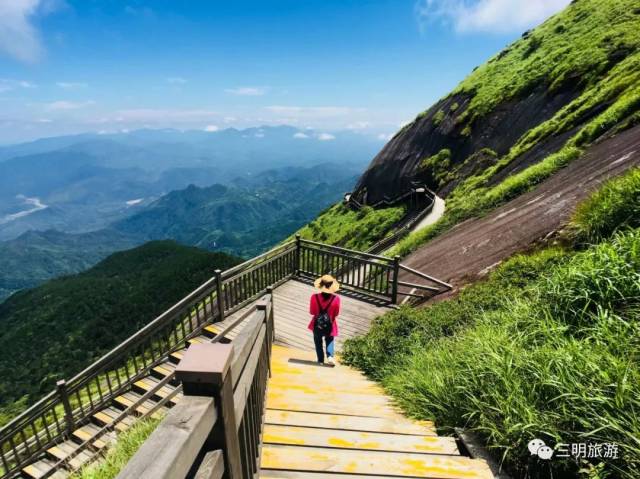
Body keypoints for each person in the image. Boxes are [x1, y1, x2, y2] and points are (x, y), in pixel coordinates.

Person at [308, 274, 341, 365]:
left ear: (321, 285)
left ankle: (320, 360)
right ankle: (330, 356)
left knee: (318, 341)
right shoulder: (336, 299)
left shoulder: (314, 297)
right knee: (329, 339)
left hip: (317, 324)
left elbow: (312, 312)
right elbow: (336, 314)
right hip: (330, 323)